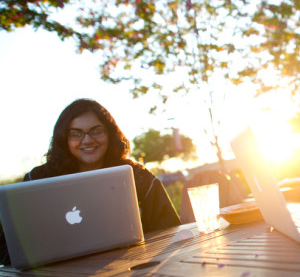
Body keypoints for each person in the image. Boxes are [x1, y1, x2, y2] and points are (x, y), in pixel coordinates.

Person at [0, 99, 181, 265]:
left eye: (96, 131)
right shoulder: (37, 180)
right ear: (64, 139)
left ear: (110, 134)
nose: (87, 140)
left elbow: (170, 232)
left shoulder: (137, 177)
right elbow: (9, 250)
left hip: (129, 268)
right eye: (75, 134)